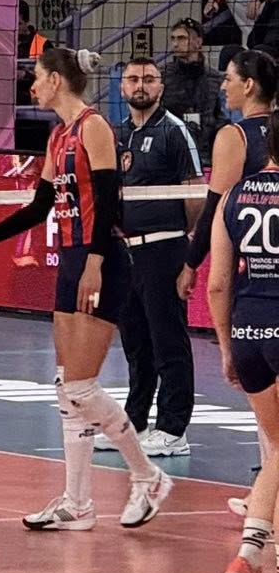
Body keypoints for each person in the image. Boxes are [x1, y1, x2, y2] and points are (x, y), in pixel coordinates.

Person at [0, 46, 173, 530]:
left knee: (82, 387)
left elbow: (109, 202)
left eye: (37, 77)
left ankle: (147, 476)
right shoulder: (57, 136)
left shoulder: (94, 127)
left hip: (101, 259)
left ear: (56, 80)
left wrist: (94, 262)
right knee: (67, 389)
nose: (31, 87)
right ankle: (77, 503)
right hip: (72, 260)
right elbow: (39, 207)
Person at [207, 107, 279, 573]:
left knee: (278, 452)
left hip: (249, 331)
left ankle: (253, 567)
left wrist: (227, 347)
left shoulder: (234, 194)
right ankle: (251, 557)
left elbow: (217, 283)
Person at [112, 56, 203, 457]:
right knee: (136, 343)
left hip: (164, 248)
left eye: (149, 79)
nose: (141, 85)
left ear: (160, 87)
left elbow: (194, 191)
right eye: (133, 79)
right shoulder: (118, 134)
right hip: (128, 252)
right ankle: (134, 422)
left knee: (168, 341)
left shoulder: (173, 131)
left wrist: (181, 239)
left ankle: (173, 428)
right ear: (122, 87)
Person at [183, 49, 276, 305]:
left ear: (248, 85)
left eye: (228, 78)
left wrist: (191, 264)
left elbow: (215, 207)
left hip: (253, 266)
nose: (223, 86)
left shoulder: (233, 136)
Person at [163, 17, 227, 163]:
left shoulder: (215, 79)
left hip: (208, 155)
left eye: (181, 38)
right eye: (173, 39)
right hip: (172, 154)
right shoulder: (162, 77)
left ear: (198, 42)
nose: (175, 44)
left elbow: (221, 117)